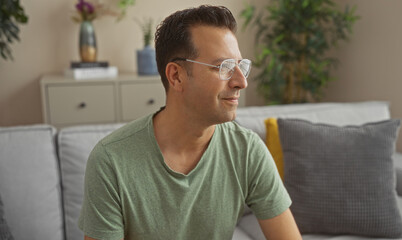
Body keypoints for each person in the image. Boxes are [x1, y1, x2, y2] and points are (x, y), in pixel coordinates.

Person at [78, 5, 302, 240]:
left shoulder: (247, 151)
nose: (241, 82)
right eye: (224, 67)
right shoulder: (111, 161)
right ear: (176, 76)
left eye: (241, 66)